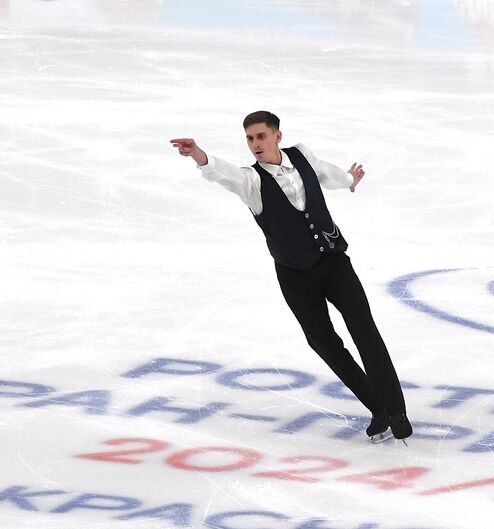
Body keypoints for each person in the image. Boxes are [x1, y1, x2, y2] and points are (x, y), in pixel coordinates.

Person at [171, 111, 410, 443]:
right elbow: (222, 174)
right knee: (324, 343)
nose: (255, 144)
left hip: (335, 263)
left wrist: (350, 180)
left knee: (365, 332)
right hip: (296, 276)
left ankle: (396, 411)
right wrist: (198, 154)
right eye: (250, 139)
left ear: (277, 136)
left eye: (261, 136)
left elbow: (328, 174)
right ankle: (378, 408)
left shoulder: (302, 155)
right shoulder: (252, 182)